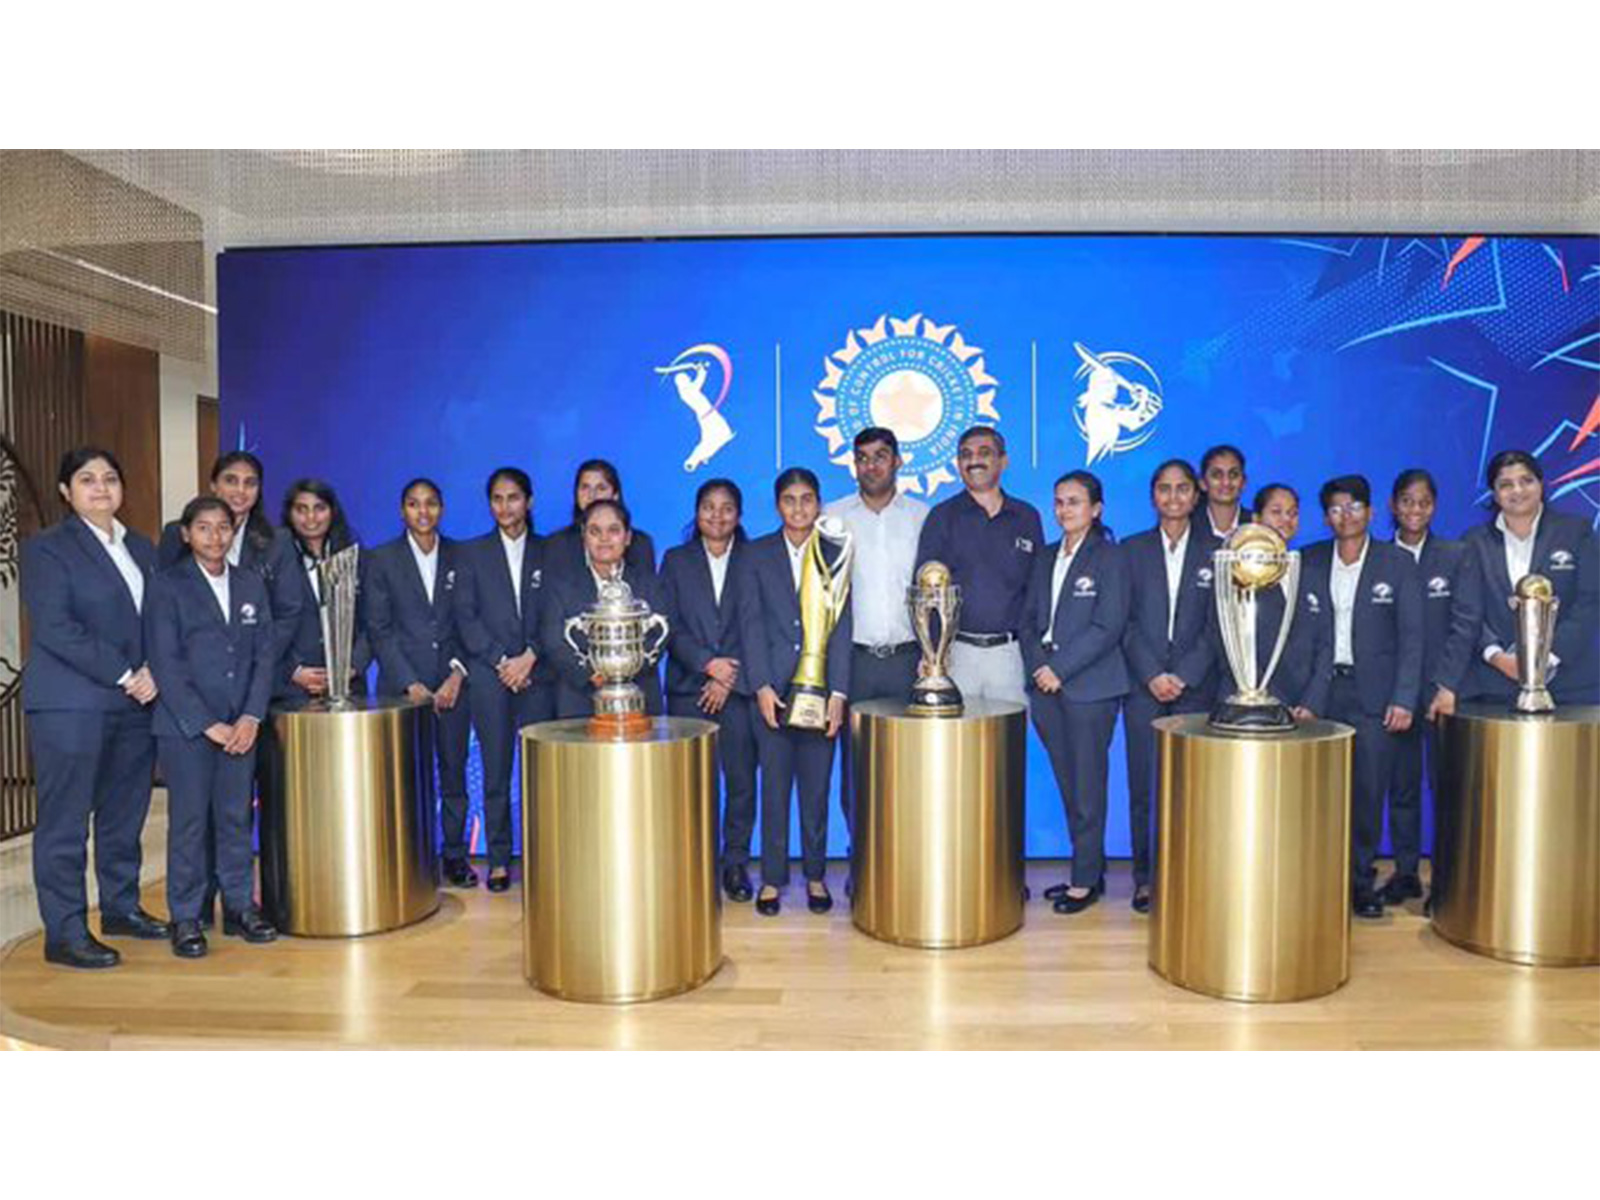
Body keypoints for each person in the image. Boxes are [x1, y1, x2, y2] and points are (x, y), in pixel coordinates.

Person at [21, 447, 166, 968]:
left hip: (134, 704)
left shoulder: (142, 549)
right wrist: (128, 673)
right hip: (71, 705)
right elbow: (58, 629)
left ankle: (122, 908)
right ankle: (65, 932)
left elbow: (158, 622)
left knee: (123, 815)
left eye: (109, 478)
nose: (100, 487)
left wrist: (154, 670)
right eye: (87, 479)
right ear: (66, 491)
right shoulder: (47, 549)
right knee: (65, 822)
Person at [146, 496, 280, 957]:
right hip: (187, 729)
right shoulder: (167, 586)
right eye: (203, 528)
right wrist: (207, 724)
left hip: (240, 726)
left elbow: (265, 655)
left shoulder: (249, 583)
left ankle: (241, 907)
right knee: (188, 824)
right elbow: (166, 663)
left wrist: (250, 716)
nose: (215, 537)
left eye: (223, 527)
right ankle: (186, 916)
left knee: (236, 819)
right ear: (186, 534)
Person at [1302, 475, 1422, 919]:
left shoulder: (1397, 562)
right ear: (1326, 516)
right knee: (1319, 793)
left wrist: (1405, 697)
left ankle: (1358, 882)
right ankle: (1319, 881)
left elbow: (1413, 639)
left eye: (1354, 507)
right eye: (1335, 508)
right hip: (1322, 693)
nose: (1345, 516)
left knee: (1368, 793)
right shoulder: (1309, 560)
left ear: (1372, 512)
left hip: (1375, 695)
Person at [739, 467, 853, 917]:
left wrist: (840, 693)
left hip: (821, 692)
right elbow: (749, 624)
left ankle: (816, 874)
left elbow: (844, 627)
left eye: (808, 499)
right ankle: (771, 878)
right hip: (773, 692)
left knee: (816, 789)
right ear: (777, 506)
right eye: (790, 500)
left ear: (819, 504)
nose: (799, 508)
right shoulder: (756, 554)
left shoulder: (836, 552)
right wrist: (761, 686)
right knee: (774, 789)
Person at [1023, 471, 1130, 914]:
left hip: (1090, 688)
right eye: (1059, 501)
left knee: (1088, 785)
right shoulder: (1046, 556)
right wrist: (1038, 669)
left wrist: (1060, 670)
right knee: (1070, 783)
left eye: (1074, 502)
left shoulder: (1110, 557)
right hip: (1045, 689)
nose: (1065, 510)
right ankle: (1090, 868)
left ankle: (1085, 881)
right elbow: (1028, 620)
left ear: (1096, 509)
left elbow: (1108, 626)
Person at [1117, 459, 1219, 913]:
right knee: (1144, 785)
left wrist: (1185, 675)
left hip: (1196, 689)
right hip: (1144, 688)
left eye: (1182, 489)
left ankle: (1190, 875)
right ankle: (1145, 878)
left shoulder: (1219, 552)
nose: (1174, 498)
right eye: (1164, 489)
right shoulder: (1130, 550)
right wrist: (1153, 675)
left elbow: (1220, 627)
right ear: (1153, 496)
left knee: (1194, 790)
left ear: (1195, 496)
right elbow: (1124, 621)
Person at [363, 479, 473, 885]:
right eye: (413, 504)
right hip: (402, 691)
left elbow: (471, 621)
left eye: (430, 504)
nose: (422, 512)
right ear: (401, 510)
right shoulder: (382, 559)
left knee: (454, 772)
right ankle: (411, 859)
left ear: (441, 509)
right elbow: (379, 629)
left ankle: (455, 856)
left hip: (452, 688)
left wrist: (457, 673)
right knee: (405, 778)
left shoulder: (463, 557)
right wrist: (410, 682)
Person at [1432, 450, 1600, 713]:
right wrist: (1496, 656)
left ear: (1541, 484)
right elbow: (1467, 611)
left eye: (1526, 480)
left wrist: (1545, 660)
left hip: (1568, 686)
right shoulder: (1473, 542)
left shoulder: (1577, 532)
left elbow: (1590, 602)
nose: (1517, 490)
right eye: (1506, 484)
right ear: (1494, 494)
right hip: (1493, 686)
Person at [823, 427, 929, 843]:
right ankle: (862, 862)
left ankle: (906, 863)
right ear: (854, 464)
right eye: (863, 457)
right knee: (857, 769)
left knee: (911, 766)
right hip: (855, 661)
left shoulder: (922, 516)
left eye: (881, 455)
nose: (871, 465)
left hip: (910, 661)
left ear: (898, 461)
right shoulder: (832, 517)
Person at [660, 479, 758, 902]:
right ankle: (693, 864)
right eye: (708, 507)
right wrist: (708, 665)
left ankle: (734, 863)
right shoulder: (676, 560)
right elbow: (667, 627)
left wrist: (728, 675)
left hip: (739, 693)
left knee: (740, 783)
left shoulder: (755, 559)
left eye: (726, 508)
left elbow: (760, 624)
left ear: (739, 515)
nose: (716, 516)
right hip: (688, 691)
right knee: (691, 786)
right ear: (696, 512)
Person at [455, 467, 550, 893]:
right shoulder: (471, 554)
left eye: (514, 497)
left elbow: (558, 613)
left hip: (538, 675)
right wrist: (501, 661)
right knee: (495, 771)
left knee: (540, 774)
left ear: (528, 502)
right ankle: (497, 859)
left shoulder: (553, 552)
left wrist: (529, 657)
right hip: (491, 678)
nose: (505, 506)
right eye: (497, 498)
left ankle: (542, 857)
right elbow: (466, 618)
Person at [1381, 469, 1470, 909]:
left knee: (1445, 787)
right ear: (1393, 506)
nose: (1415, 510)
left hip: (1440, 696)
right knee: (1401, 787)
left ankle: (1448, 881)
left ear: (1434, 507)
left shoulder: (1455, 556)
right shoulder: (1377, 557)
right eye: (1406, 501)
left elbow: (1463, 626)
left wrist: (1447, 685)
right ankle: (1405, 871)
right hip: (1394, 696)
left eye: (1424, 502)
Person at [914, 427, 1043, 706]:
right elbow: (925, 592)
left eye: (984, 453)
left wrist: (1035, 655)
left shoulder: (1026, 517)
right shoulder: (942, 517)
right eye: (965, 455)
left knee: (1007, 743)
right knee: (958, 745)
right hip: (956, 655)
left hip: (1011, 654)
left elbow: (1038, 591)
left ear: (1003, 461)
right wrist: (934, 653)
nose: (974, 461)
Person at [1210, 483, 1332, 725]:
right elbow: (1223, 640)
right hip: (1249, 705)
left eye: (1292, 512)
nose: (1286, 519)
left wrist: (1312, 702)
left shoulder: (1312, 573)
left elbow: (1326, 643)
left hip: (1304, 709)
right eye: (1276, 512)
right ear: (1256, 519)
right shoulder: (1235, 574)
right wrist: (1266, 699)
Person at [541, 497, 668, 720]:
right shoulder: (562, 586)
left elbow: (659, 634)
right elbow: (553, 640)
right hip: (578, 702)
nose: (604, 539)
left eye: (613, 530)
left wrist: (622, 672)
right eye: (595, 531)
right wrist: (592, 674)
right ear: (584, 536)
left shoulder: (650, 584)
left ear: (627, 537)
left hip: (640, 699)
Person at [275, 478, 370, 702]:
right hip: (291, 690)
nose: (311, 518)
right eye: (301, 509)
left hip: (349, 687)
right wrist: (293, 671)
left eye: (319, 508)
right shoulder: (274, 558)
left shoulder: (354, 555)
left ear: (332, 511)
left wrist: (353, 666)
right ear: (289, 513)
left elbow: (374, 620)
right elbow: (264, 625)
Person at [542, 459, 658, 578]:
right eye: (585, 488)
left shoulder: (640, 543)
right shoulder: (556, 544)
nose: (592, 496)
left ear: (615, 495)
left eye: (601, 488)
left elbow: (648, 591)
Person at [1196, 444, 1248, 539]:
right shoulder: (1185, 527)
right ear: (1202, 483)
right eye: (1216, 475)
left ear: (1244, 482)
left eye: (1233, 474)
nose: (1226, 482)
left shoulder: (1257, 525)